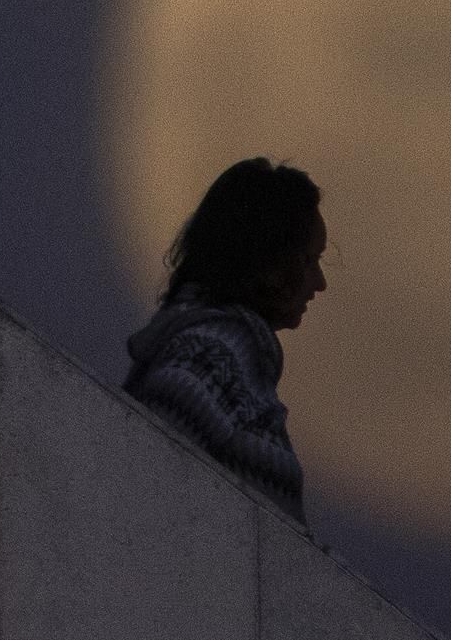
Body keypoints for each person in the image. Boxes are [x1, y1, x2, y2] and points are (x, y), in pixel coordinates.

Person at [123, 157, 328, 524]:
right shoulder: (212, 353)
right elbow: (144, 477)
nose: (320, 283)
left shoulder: (231, 353)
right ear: (270, 262)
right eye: (310, 259)